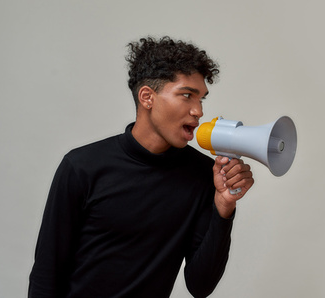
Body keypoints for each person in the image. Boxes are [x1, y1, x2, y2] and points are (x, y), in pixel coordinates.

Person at [29, 36, 254, 297]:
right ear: (147, 97)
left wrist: (223, 207)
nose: (198, 111)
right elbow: (47, 273)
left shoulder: (203, 175)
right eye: (186, 96)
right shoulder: (82, 167)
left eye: (201, 99)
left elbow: (200, 286)